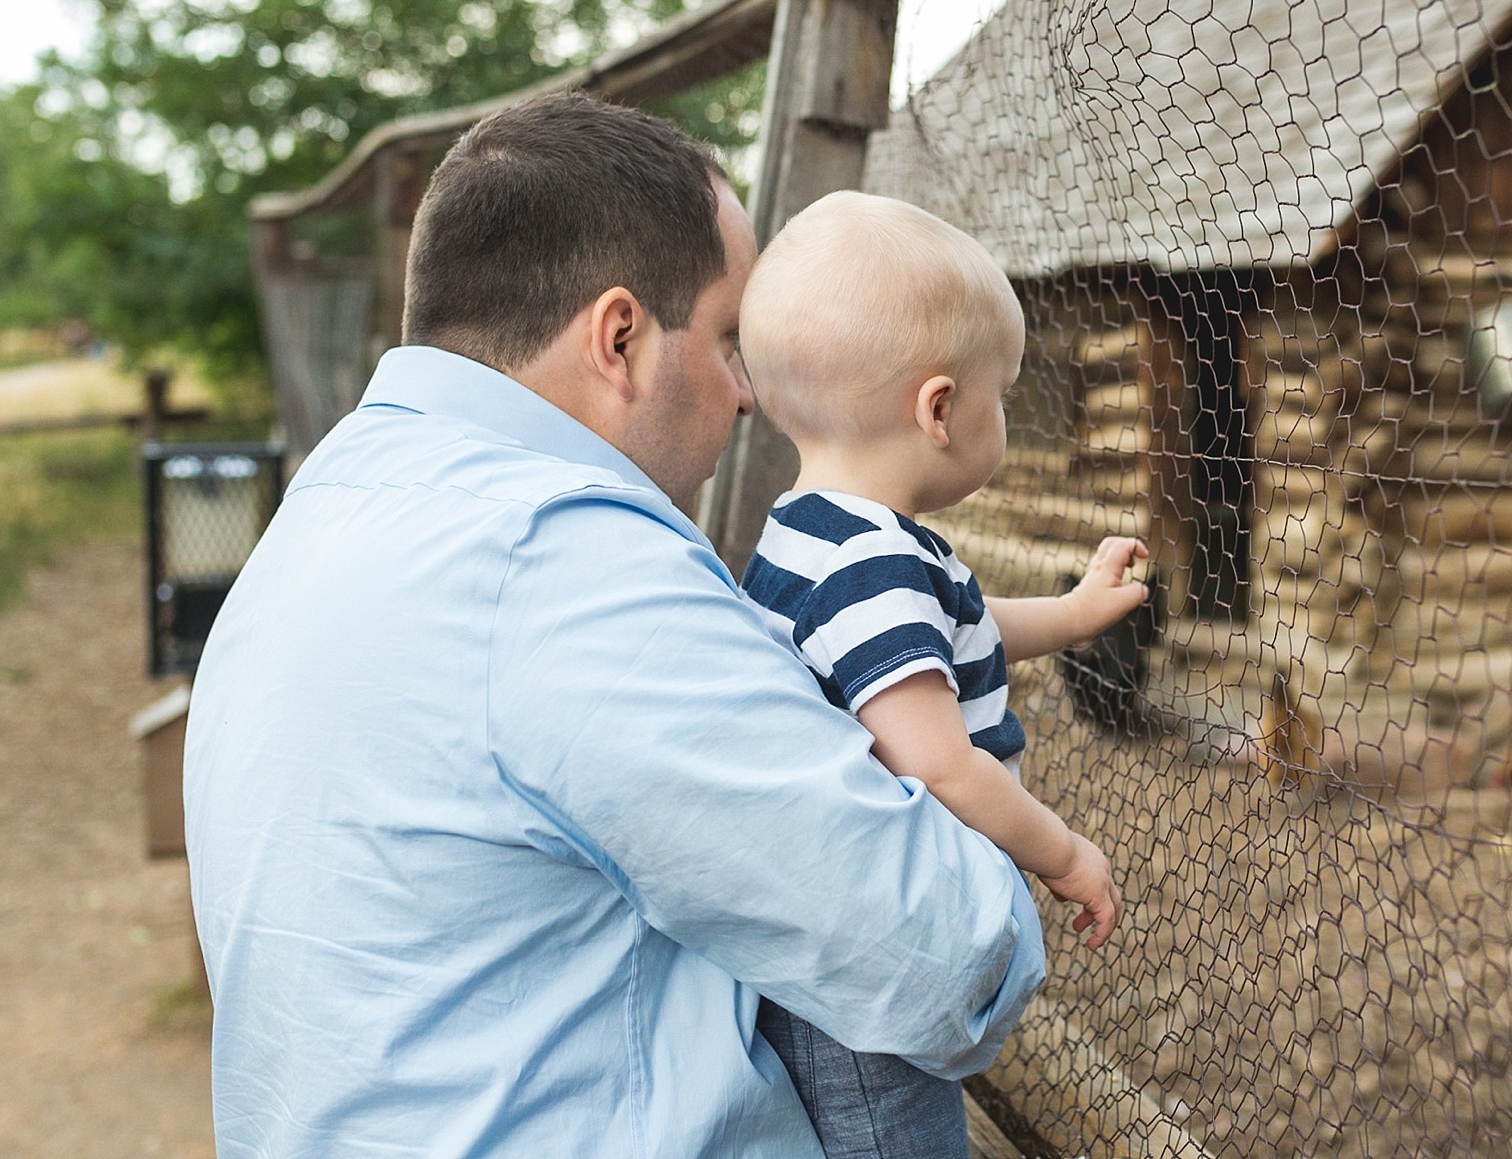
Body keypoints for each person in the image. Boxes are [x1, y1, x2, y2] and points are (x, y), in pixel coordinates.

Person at [183, 92, 1044, 1159]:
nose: (747, 397)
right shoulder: (560, 562)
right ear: (621, 337)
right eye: (730, 341)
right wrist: (1006, 840)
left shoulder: (325, 511)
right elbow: (942, 960)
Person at [737, 190, 1140, 1159]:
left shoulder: (812, 530)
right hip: (871, 957)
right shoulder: (874, 562)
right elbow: (942, 763)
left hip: (825, 938)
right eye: (1001, 393)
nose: (1002, 411)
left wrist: (1076, 613)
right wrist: (1064, 853)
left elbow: (950, 626)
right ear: (939, 409)